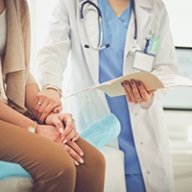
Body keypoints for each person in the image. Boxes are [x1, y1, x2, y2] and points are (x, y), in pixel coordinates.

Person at [36, 0, 178, 191]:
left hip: (142, 134)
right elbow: (53, 51)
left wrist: (152, 88)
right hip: (94, 125)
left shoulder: (154, 7)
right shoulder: (72, 4)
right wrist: (51, 87)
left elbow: (167, 67)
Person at [0, 0, 106, 192]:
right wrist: (34, 129)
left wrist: (46, 114)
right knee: (59, 165)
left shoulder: (16, 4)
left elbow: (21, 72)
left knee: (93, 164)